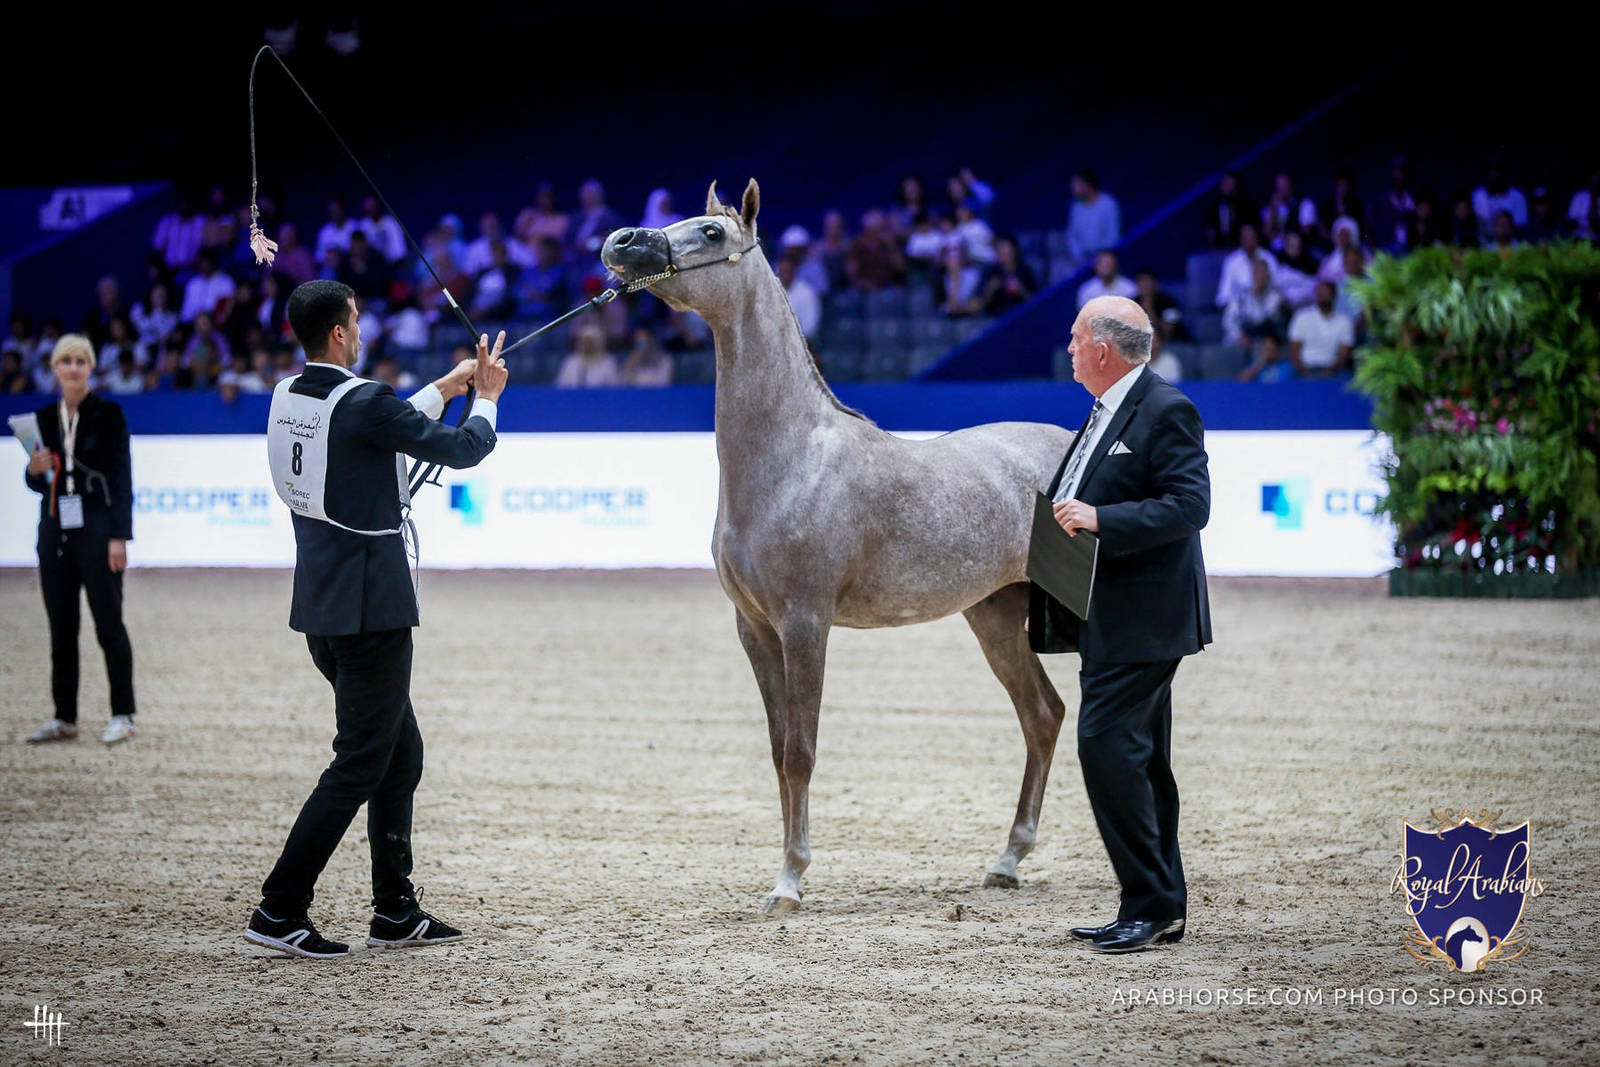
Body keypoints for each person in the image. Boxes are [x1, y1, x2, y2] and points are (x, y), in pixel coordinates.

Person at [247, 279, 507, 960]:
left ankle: (394, 908)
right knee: (360, 763)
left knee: (399, 753)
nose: (360, 330)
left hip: (323, 608)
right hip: (372, 611)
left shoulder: (289, 395)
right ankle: (279, 907)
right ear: (339, 333)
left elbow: (370, 424)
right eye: (355, 321)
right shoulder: (363, 401)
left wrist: (444, 387)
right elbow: (462, 450)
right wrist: (483, 398)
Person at [1030, 295, 1211, 954]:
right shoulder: (1105, 410)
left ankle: (1149, 902)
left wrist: (1101, 519)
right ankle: (1162, 904)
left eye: (1076, 337)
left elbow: (1190, 507)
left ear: (1103, 349)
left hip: (1146, 616)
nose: (1070, 347)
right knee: (1142, 760)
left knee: (1106, 748)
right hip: (1107, 614)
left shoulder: (1166, 408)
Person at [23, 334, 138, 745]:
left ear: (91, 367)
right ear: (54, 368)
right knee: (61, 628)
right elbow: (38, 483)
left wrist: (119, 536)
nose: (72, 368)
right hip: (54, 532)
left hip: (98, 529)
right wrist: (35, 470)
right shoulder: (41, 418)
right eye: (65, 361)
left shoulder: (109, 414)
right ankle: (64, 717)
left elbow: (122, 478)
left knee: (109, 624)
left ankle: (122, 713)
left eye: (80, 361)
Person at [1286, 281, 1356, 378]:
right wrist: (1304, 371)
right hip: (1305, 367)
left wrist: (1330, 371)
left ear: (1334, 296)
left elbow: (1344, 354)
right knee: (1288, 375)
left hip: (1333, 369)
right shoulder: (1302, 317)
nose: (1323, 298)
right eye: (1320, 294)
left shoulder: (1344, 321)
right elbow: (1294, 350)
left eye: (1326, 294)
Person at [1066, 169, 1120, 268]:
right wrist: (1079, 257)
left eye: (1076, 184)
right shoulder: (1075, 206)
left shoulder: (1108, 203)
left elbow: (1112, 235)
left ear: (1087, 185)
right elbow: (1072, 235)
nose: (1073, 188)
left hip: (1105, 260)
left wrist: (1102, 257)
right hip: (1082, 262)